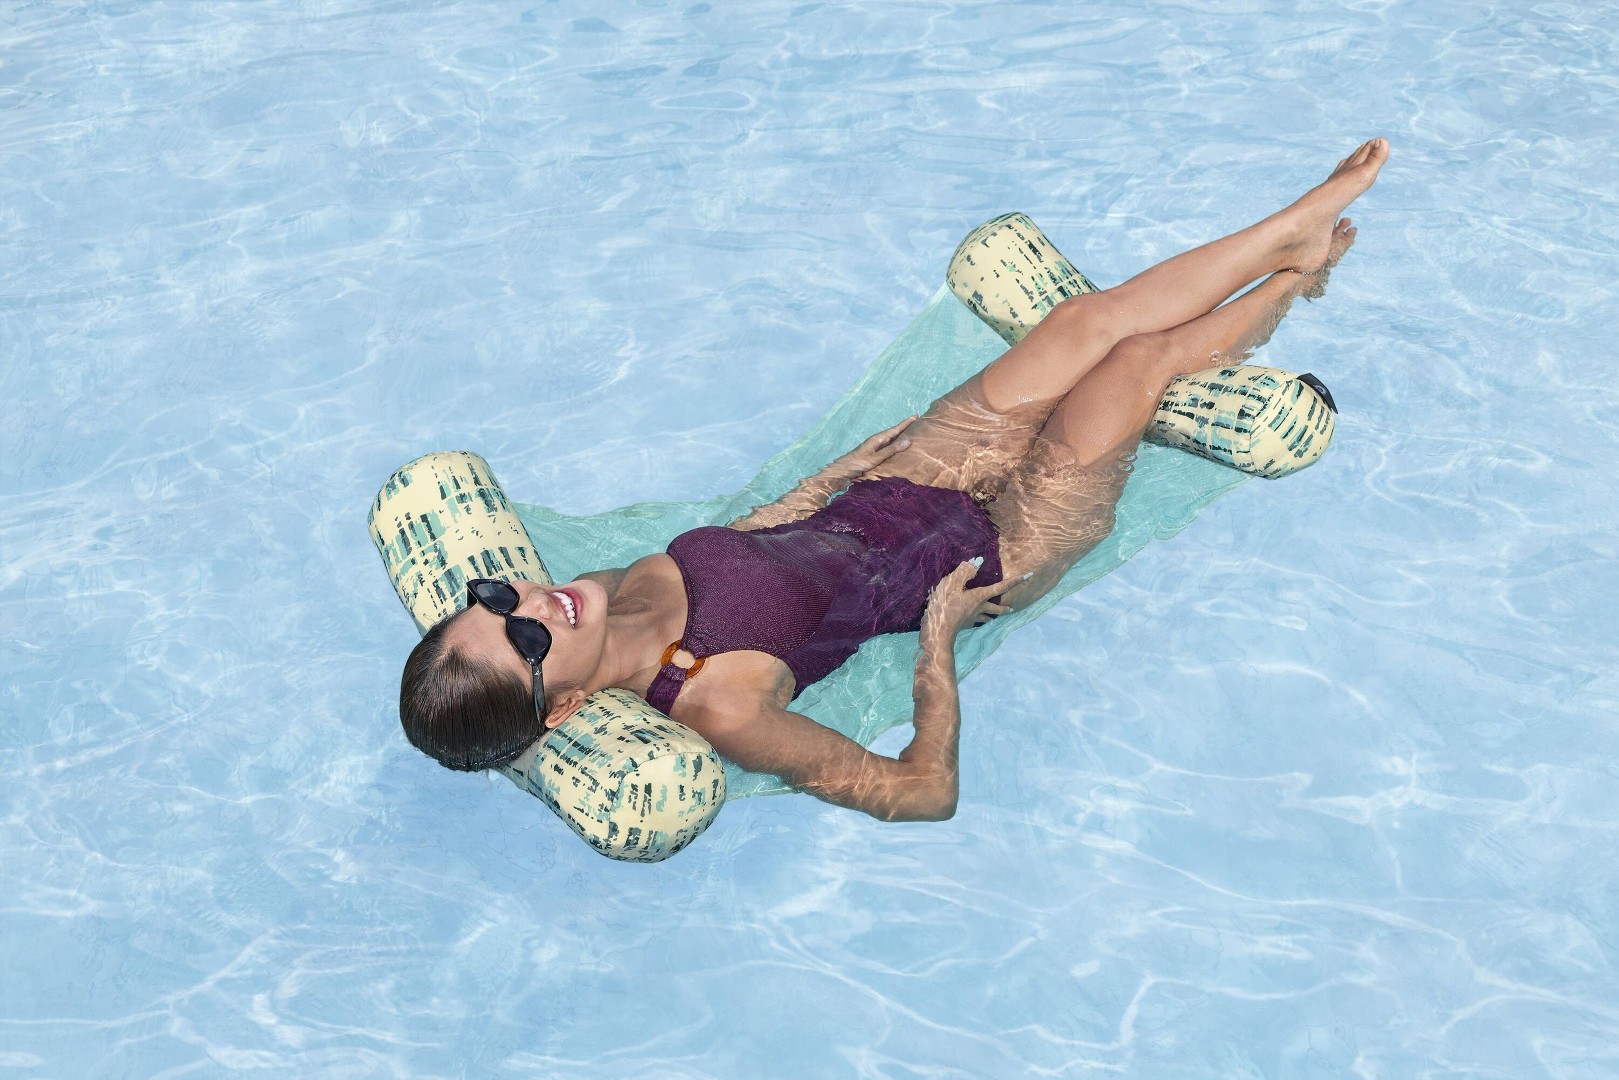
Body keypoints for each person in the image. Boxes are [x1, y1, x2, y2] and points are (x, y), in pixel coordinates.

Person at [400, 139, 1389, 822]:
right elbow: (918, 792)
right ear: (563, 708)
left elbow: (748, 545)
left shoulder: (600, 593)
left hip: (899, 485)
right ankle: (1297, 277)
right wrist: (940, 641)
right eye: (525, 640)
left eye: (494, 599)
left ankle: (1292, 227)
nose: (531, 603)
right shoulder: (715, 706)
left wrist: (835, 475)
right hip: (997, 554)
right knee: (1135, 364)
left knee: (1081, 326)